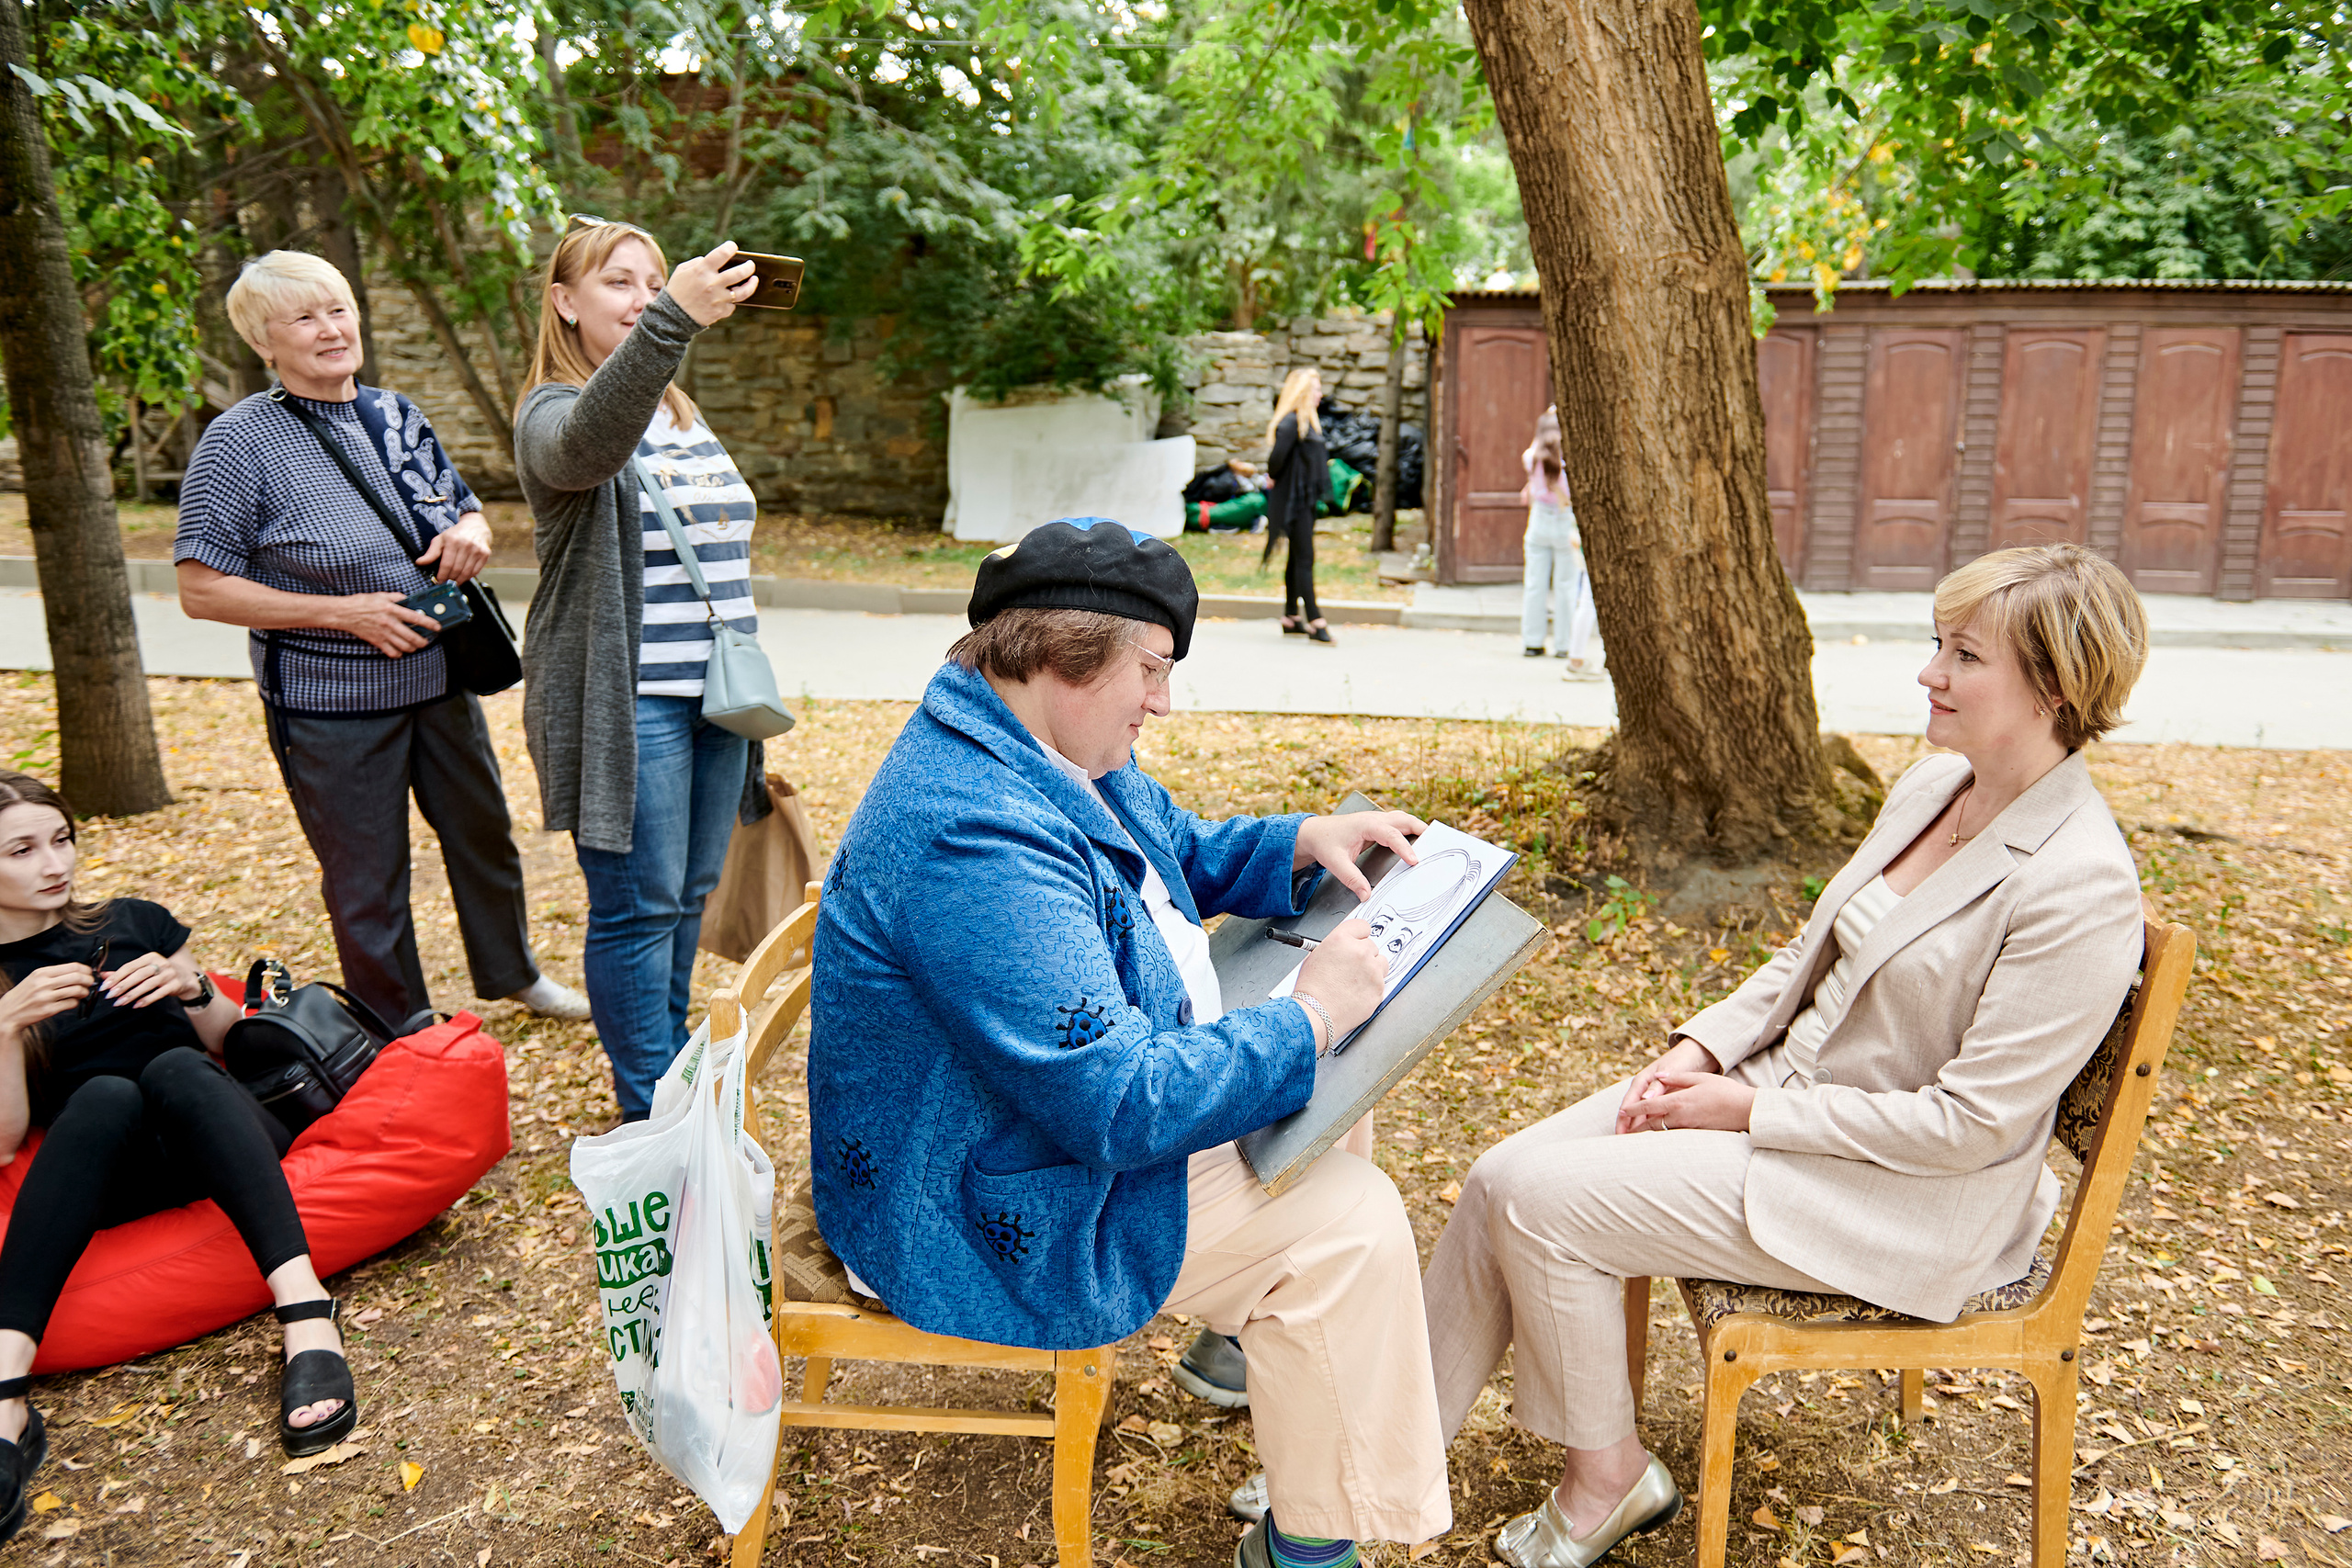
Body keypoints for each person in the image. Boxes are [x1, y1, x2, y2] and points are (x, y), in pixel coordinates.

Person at [1419, 542, 2152, 1567]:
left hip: (1891, 1192)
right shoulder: (1936, 784)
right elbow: (1809, 955)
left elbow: (1972, 1125)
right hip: (1778, 1093)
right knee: (1500, 1172)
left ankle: (1609, 1479)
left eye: (1965, 656)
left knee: (1542, 1204)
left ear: (2055, 688)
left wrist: (1746, 1112)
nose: (1930, 673)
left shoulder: (2081, 882)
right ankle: (1382, 1457)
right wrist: (1702, 1049)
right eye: (1937, 644)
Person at [811, 520, 1452, 1568]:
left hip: (1034, 1120)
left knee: (1337, 1100)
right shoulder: (971, 832)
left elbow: (1168, 848)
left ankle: (1263, 1355)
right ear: (1062, 655)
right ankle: (1310, 1545)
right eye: (1150, 670)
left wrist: (1299, 843)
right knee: (1351, 1225)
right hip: (974, 1194)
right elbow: (1115, 1103)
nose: (1162, 700)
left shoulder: (1031, 743)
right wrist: (1307, 1017)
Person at [174, 250, 588, 1033]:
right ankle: (401, 1025)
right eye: (304, 318)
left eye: (339, 309)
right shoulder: (237, 442)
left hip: (442, 678)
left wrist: (472, 531)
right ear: (263, 342)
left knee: (484, 839)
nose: (332, 329)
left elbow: (463, 506)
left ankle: (515, 974)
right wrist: (345, 614)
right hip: (331, 706)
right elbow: (201, 589)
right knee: (368, 877)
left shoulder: (396, 414)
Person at [0, 773, 362, 1543]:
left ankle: (307, 1315)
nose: (54, 864)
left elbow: (232, 1040)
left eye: (61, 839)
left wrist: (192, 985)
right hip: (111, 1172)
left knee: (174, 1067)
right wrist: (5, 1027)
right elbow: (6, 1139)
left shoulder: (134, 921)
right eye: (22, 850)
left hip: (220, 1136)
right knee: (104, 1094)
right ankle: (6, 1393)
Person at [512, 216, 774, 1123]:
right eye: (619, 282)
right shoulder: (549, 413)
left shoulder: (681, 415)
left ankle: (670, 1087)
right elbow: (588, 446)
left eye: (654, 282)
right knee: (638, 908)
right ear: (564, 301)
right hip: (627, 705)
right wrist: (673, 319)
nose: (643, 297)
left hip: (714, 699)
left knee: (688, 898)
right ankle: (650, 1112)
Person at [1517, 406, 1599, 678]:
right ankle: (1563, 644)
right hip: (1564, 522)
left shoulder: (1532, 458)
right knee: (1566, 585)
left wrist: (1545, 421)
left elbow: (1534, 449)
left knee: (1534, 583)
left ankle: (1532, 642)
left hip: (1539, 520)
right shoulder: (1566, 463)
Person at [1262, 368, 1334, 645]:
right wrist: (1273, 476)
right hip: (1293, 501)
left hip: (1303, 499)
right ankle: (1316, 620)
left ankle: (1291, 616)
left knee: (1296, 556)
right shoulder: (1291, 422)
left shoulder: (1306, 423)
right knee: (1305, 557)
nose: (1320, 394)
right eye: (1316, 389)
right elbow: (1276, 460)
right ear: (1303, 393)